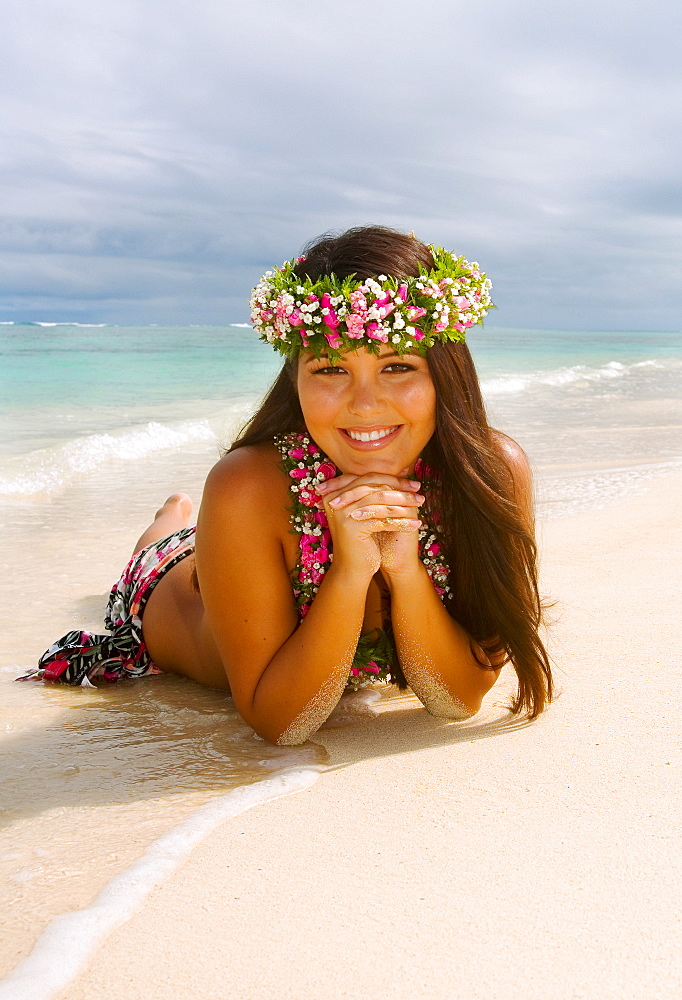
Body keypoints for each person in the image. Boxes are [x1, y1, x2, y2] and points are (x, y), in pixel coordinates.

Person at [22, 226, 552, 745]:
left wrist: (404, 568)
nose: (365, 404)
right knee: (156, 551)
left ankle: (178, 521)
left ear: (447, 373)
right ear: (294, 378)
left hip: (232, 549)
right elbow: (280, 722)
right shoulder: (245, 485)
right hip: (163, 592)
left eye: (396, 366)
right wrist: (349, 571)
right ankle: (170, 520)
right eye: (329, 369)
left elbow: (457, 700)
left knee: (190, 538)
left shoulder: (490, 472)